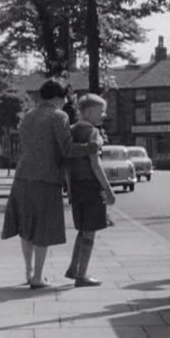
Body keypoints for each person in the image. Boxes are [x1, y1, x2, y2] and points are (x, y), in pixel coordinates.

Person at [1, 78, 102, 289]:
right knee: (42, 229)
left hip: (21, 177)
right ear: (57, 98)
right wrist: (91, 147)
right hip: (45, 180)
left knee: (26, 228)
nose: (65, 103)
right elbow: (67, 149)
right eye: (64, 99)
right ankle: (38, 277)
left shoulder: (28, 116)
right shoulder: (59, 116)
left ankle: (29, 272)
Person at [63, 93, 116, 287]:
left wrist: (69, 189)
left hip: (76, 186)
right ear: (89, 111)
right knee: (90, 231)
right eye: (101, 111)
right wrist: (108, 189)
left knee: (83, 229)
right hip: (91, 185)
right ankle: (81, 275)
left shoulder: (70, 130)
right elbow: (96, 163)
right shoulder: (93, 132)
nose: (103, 115)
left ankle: (73, 268)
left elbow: (66, 163)